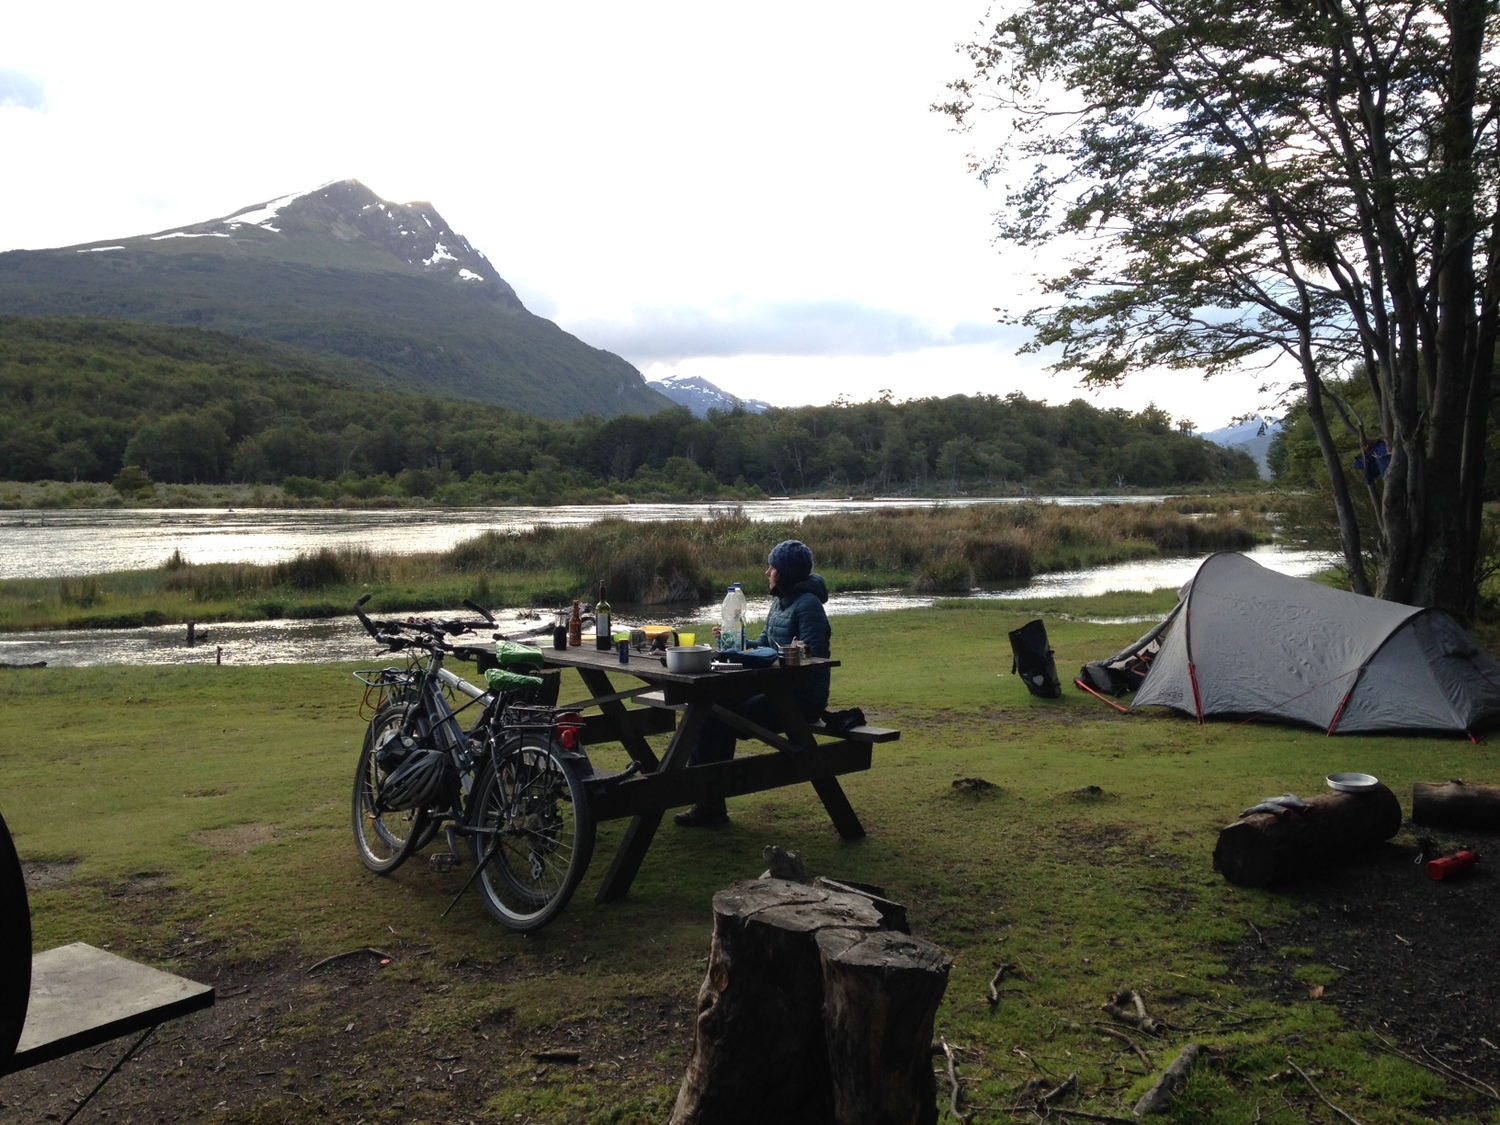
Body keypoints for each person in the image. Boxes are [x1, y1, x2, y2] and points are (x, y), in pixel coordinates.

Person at [673, 539, 831, 828]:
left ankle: (704, 795)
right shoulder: (780, 603)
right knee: (711, 707)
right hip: (775, 689)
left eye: (771, 567)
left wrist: (787, 652)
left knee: (718, 716)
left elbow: (814, 654)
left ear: (783, 573)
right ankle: (706, 797)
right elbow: (764, 643)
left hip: (802, 697)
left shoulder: (808, 605)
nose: (766, 572)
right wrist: (736, 642)